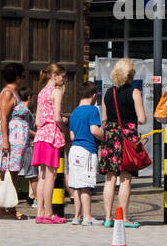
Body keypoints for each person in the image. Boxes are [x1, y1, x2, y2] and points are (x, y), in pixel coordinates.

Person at [98, 58, 146, 227]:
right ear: (131, 75)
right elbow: (142, 119)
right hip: (127, 139)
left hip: (110, 138)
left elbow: (103, 119)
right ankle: (124, 218)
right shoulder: (134, 92)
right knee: (125, 180)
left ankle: (108, 218)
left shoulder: (107, 93)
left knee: (109, 179)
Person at [0, 63, 27, 218]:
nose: (23, 79)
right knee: (6, 172)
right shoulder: (7, 93)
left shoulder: (14, 92)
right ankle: (4, 209)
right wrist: (5, 141)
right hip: (9, 137)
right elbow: (3, 117)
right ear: (16, 77)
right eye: (23, 76)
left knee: (13, 172)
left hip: (15, 139)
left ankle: (8, 207)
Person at [31, 63, 69, 223]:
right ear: (55, 76)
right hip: (52, 135)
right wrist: (64, 128)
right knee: (51, 176)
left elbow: (38, 120)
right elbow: (57, 118)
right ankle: (49, 213)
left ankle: (40, 212)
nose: (64, 79)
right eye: (63, 76)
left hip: (40, 136)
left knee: (42, 175)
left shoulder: (41, 93)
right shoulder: (56, 92)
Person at [67, 82, 103, 226]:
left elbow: (71, 136)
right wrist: (105, 137)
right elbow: (94, 130)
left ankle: (77, 216)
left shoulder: (75, 111)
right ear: (94, 95)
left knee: (76, 185)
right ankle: (87, 216)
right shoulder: (93, 110)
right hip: (87, 150)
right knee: (86, 185)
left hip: (74, 149)